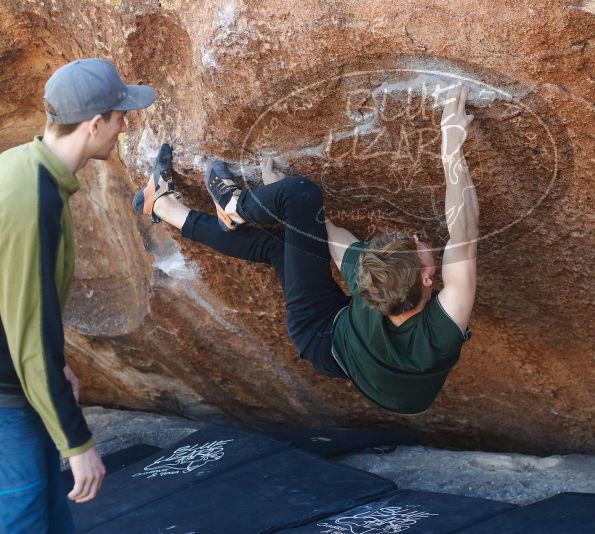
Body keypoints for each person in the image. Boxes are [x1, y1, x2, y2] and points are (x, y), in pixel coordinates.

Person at [133, 84, 477, 414]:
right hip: (381, 373)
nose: (419, 238)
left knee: (297, 198)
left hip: (321, 336)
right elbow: (463, 229)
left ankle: (233, 205)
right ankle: (165, 206)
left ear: (427, 279)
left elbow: (463, 227)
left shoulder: (380, 286)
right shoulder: (400, 294)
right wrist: (451, 144)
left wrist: (278, 198)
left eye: (415, 247)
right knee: (283, 239)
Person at [0, 58, 155, 532]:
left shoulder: (25, 165)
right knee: (24, 516)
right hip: (6, 394)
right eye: (119, 117)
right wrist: (78, 443)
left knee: (46, 513)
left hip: (14, 381)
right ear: (93, 124)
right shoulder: (33, 199)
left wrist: (57, 359)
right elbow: (27, 333)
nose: (124, 127)